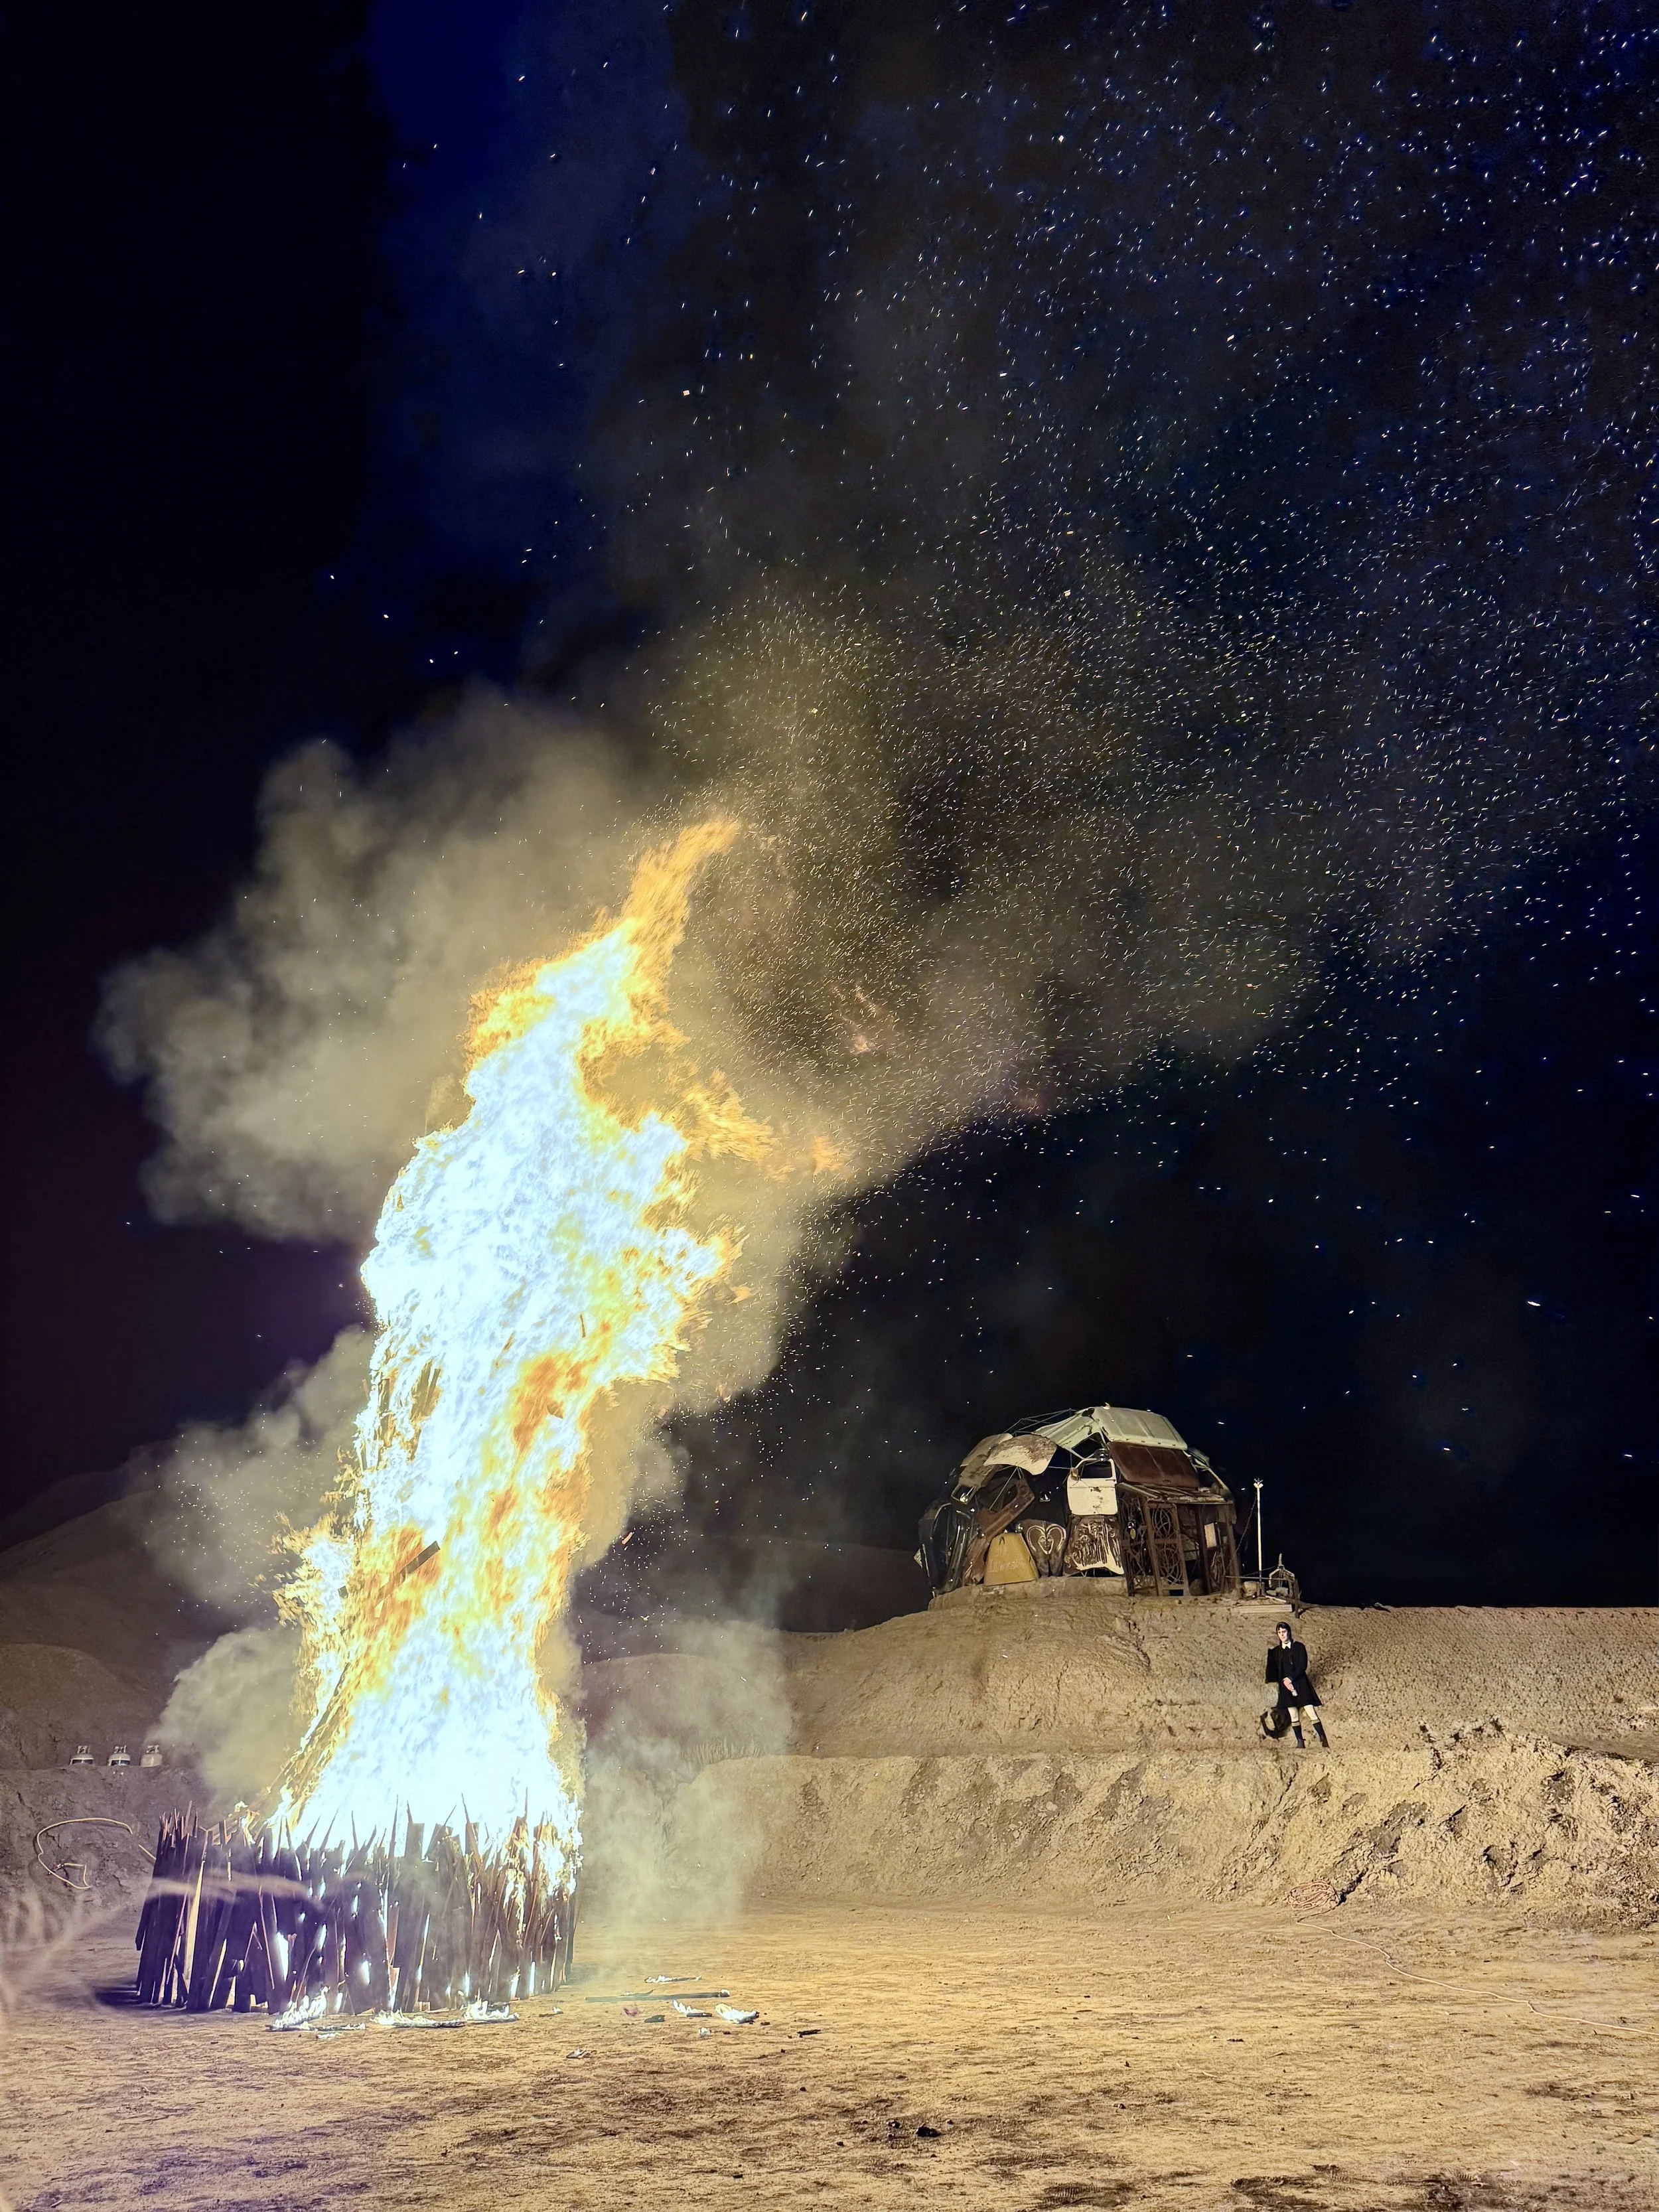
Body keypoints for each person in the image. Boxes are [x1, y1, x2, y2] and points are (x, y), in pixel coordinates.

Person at [1261, 1620, 1328, 1747]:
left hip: (1300, 1683)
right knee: (1293, 1713)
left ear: (1289, 1632)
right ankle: (1300, 1742)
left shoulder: (1299, 1647)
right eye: (1279, 1632)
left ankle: (1323, 1739)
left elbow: (1302, 1665)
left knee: (1310, 1710)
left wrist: (1291, 1679)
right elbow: (1275, 1671)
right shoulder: (1277, 1651)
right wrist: (1283, 1683)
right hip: (1285, 1686)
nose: (1282, 1635)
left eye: (1284, 1632)